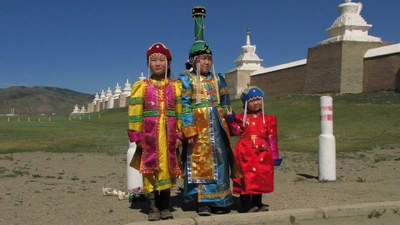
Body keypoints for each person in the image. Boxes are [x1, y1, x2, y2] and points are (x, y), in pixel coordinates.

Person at [177, 6, 242, 216]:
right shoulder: (186, 79)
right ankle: (202, 201)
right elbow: (184, 104)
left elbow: (225, 102)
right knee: (199, 162)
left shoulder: (217, 78)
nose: (206, 61)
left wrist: (230, 121)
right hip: (198, 128)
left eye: (209, 58)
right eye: (202, 58)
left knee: (220, 160)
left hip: (217, 126)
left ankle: (221, 200)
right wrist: (188, 127)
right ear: (193, 61)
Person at [128, 42, 183, 221]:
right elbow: (135, 113)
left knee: (167, 168)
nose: (158, 63)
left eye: (162, 60)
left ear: (168, 63)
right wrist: (137, 136)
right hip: (149, 134)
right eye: (154, 60)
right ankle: (152, 206)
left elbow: (180, 111)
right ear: (148, 64)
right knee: (150, 168)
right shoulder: (142, 86)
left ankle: (165, 205)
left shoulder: (175, 86)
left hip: (169, 134)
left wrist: (180, 134)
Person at [227, 85, 279, 213]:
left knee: (260, 176)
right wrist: (231, 120)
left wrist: (275, 156)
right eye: (251, 100)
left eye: (258, 99)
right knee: (246, 177)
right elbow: (236, 131)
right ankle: (245, 204)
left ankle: (257, 202)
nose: (255, 103)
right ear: (246, 103)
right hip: (246, 152)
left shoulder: (268, 119)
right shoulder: (242, 118)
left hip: (263, 153)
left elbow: (272, 138)